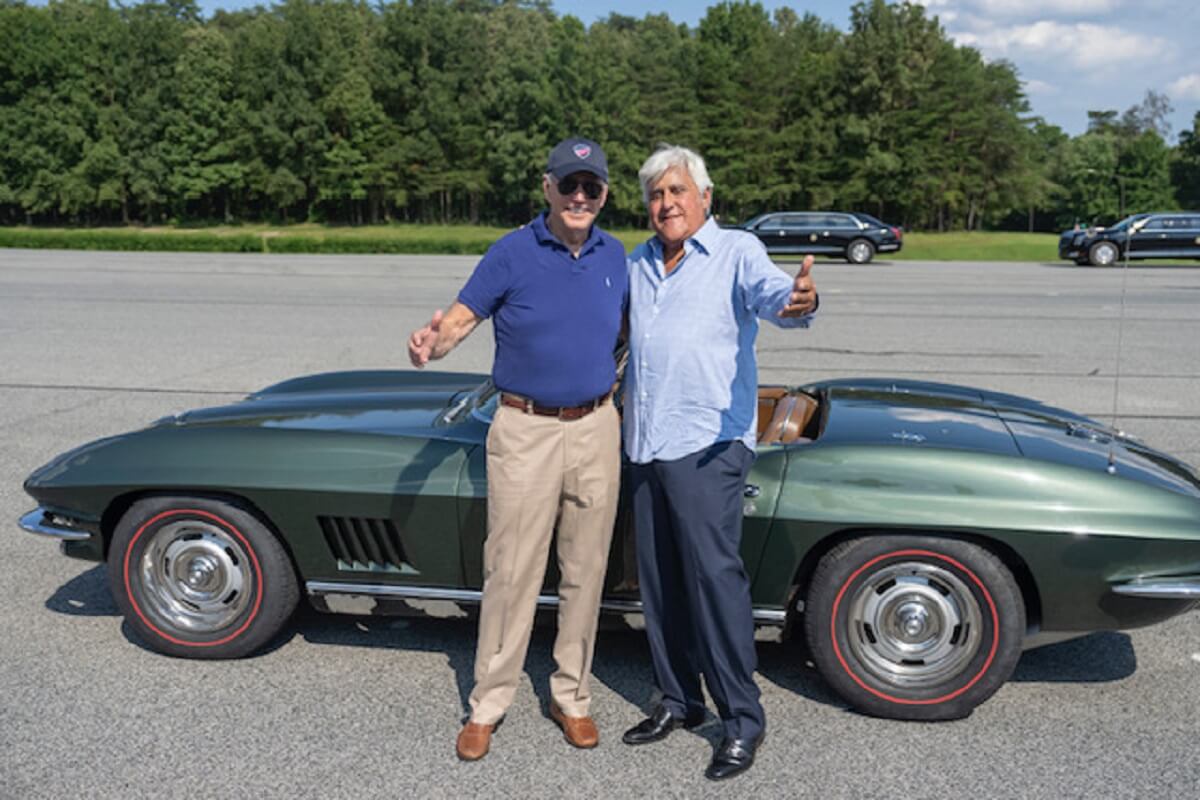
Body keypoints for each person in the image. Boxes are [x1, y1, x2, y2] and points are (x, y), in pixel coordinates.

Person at [407, 137, 627, 762]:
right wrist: (431, 343)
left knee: (587, 570)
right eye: (570, 184)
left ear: (604, 194)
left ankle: (572, 695)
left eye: (592, 187)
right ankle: (489, 702)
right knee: (512, 571)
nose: (580, 196)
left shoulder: (617, 257)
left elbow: (638, 332)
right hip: (524, 429)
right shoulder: (511, 253)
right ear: (547, 187)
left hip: (595, 428)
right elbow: (458, 320)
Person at [620, 144, 818, 781]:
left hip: (707, 446)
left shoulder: (736, 252)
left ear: (706, 198)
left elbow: (776, 299)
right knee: (660, 585)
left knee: (713, 583)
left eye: (677, 191)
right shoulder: (639, 264)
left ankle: (742, 719)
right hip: (647, 445)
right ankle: (678, 700)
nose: (666, 204)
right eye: (656, 194)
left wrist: (799, 300)